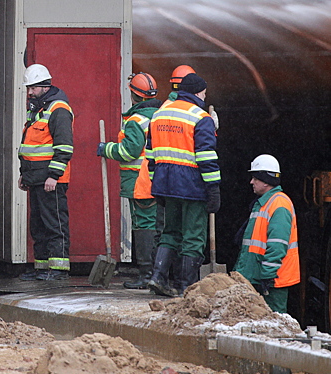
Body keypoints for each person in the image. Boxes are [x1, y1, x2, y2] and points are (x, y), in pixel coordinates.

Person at [146, 73, 221, 297]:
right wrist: (213, 188)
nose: (205, 97)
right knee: (193, 237)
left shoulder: (159, 115)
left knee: (170, 232)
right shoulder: (200, 117)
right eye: (205, 93)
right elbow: (207, 157)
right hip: (191, 185)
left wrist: (155, 184)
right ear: (198, 92)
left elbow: (151, 155)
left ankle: (158, 277)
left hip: (165, 184)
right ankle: (185, 287)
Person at [97, 73, 161, 289]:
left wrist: (106, 148)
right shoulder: (161, 115)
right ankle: (159, 273)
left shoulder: (136, 121)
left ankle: (146, 274)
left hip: (140, 182)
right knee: (159, 225)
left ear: (133, 94)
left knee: (143, 225)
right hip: (160, 180)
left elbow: (129, 151)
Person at [17, 64, 75, 281]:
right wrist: (25, 174)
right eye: (28, 88)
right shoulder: (38, 108)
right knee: (38, 225)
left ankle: (58, 270)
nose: (29, 92)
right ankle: (42, 268)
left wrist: (54, 176)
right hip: (36, 178)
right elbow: (30, 145)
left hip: (52, 179)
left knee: (54, 224)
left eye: (32, 88)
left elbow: (64, 147)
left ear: (44, 85)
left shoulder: (58, 109)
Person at [233, 154, 300, 314]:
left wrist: (267, 277)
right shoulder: (264, 203)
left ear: (265, 180)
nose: (251, 182)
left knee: (275, 327)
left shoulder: (279, 204)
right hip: (262, 279)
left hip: (273, 282)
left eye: (255, 178)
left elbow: (278, 244)